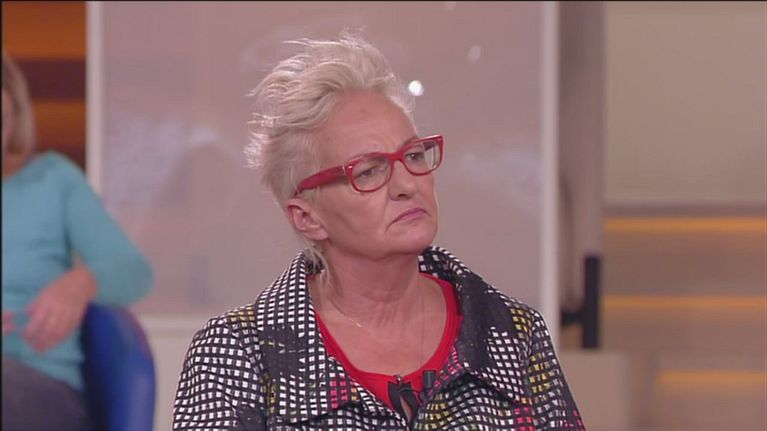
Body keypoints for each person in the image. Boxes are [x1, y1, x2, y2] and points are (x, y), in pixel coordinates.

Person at [173, 33, 584, 430]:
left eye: (413, 155)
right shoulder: (238, 354)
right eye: (369, 171)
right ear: (307, 217)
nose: (407, 184)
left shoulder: (512, 333)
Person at [1, 51, 153, 430]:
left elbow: (135, 271)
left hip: (41, 387)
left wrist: (82, 282)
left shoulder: (54, 180)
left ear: (14, 116)